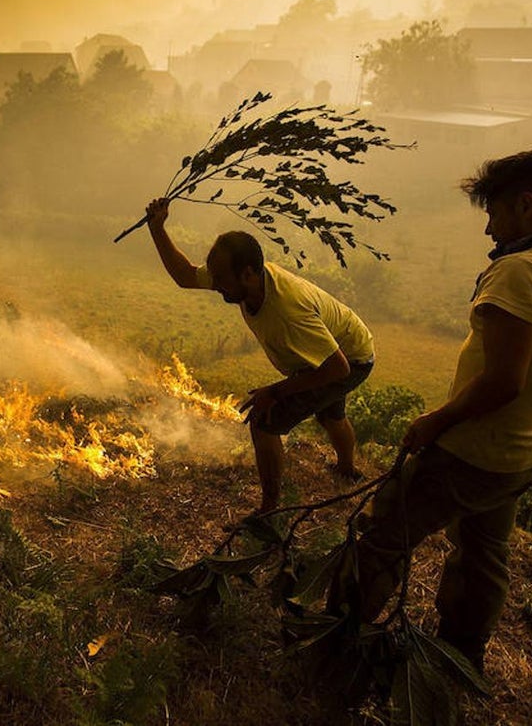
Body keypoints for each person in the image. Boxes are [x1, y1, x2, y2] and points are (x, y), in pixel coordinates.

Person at [333, 148, 532, 672]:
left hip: (472, 451)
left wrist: (436, 420)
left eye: (494, 213)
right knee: (482, 555)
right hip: (524, 454)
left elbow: (504, 381)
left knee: (386, 534)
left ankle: (337, 639)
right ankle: (460, 656)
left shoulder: (521, 272)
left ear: (526, 206)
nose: (489, 231)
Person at [144, 197, 376, 514]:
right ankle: (347, 471)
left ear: (248, 274)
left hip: (348, 359)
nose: (216, 285)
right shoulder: (243, 280)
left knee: (265, 422)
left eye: (222, 278)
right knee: (329, 414)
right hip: (339, 346)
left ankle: (269, 510)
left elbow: (337, 369)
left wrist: (275, 391)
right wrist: (157, 228)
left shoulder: (287, 310)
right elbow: (185, 275)